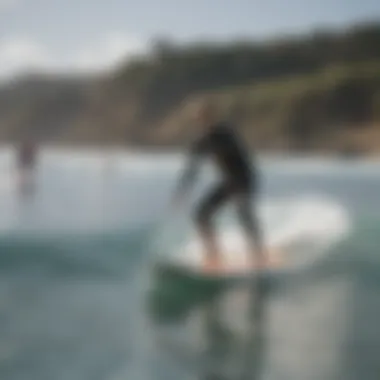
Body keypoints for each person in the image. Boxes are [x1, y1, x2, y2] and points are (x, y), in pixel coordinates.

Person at [171, 101, 267, 272]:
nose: (203, 121)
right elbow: (191, 170)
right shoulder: (201, 141)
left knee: (243, 213)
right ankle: (214, 255)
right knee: (201, 215)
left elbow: (240, 157)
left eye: (206, 117)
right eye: (199, 118)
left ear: (213, 117)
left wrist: (241, 188)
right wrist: (181, 192)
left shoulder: (226, 134)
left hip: (243, 179)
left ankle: (258, 254)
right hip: (228, 182)